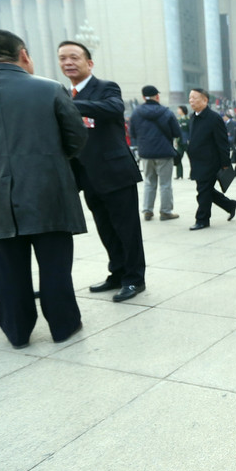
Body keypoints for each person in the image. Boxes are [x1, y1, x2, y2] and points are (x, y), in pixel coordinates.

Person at [0, 30, 87, 348]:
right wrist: (51, 159)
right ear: (23, 54)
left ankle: (17, 331)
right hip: (48, 191)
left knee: (7, 270)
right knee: (55, 266)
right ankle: (64, 325)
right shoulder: (51, 89)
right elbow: (77, 138)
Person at [58, 40, 146, 303]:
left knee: (127, 229)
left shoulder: (105, 88)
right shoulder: (64, 93)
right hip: (87, 175)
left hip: (115, 172)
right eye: (63, 58)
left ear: (89, 63)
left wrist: (68, 104)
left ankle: (134, 279)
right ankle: (116, 273)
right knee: (105, 229)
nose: (68, 63)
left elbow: (113, 108)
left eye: (74, 57)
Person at [187, 87, 236, 230]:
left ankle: (202, 219)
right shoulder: (193, 117)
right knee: (206, 190)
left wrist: (225, 163)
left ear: (205, 100)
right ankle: (230, 205)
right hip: (197, 162)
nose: (191, 101)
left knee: (203, 191)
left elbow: (222, 143)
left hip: (210, 162)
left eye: (194, 98)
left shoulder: (214, 118)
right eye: (190, 98)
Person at [129, 85, 181, 221]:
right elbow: (176, 132)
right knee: (165, 184)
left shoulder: (136, 113)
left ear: (142, 97)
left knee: (149, 182)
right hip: (164, 153)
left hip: (146, 153)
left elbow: (132, 133)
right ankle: (165, 211)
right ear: (157, 96)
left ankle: (147, 210)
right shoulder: (166, 112)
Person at [174, 105, 189, 179]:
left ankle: (192, 174)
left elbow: (191, 131)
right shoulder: (178, 120)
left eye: (179, 109)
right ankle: (179, 175)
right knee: (178, 158)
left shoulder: (188, 120)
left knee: (192, 159)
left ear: (183, 110)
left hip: (187, 142)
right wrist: (176, 141)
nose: (177, 111)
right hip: (180, 142)